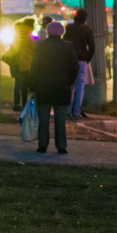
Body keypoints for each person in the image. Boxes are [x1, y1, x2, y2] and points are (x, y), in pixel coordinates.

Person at [31, 20, 79, 154]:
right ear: (62, 32)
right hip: (62, 87)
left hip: (43, 87)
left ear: (47, 31)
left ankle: (42, 145)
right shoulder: (68, 46)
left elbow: (34, 67)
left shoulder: (41, 46)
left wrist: (33, 85)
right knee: (60, 118)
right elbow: (75, 67)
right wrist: (69, 80)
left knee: (43, 118)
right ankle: (61, 146)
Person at [63, 8, 95, 119]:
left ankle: (67, 109)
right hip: (82, 60)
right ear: (85, 19)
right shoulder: (87, 30)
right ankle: (76, 111)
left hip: (69, 60)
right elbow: (92, 47)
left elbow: (64, 43)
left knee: (70, 86)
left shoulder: (69, 28)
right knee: (80, 86)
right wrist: (87, 59)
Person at [3, 17, 36, 111]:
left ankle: (18, 104)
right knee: (28, 87)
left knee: (19, 85)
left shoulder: (20, 34)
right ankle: (26, 106)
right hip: (25, 65)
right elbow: (31, 50)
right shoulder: (27, 36)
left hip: (19, 64)